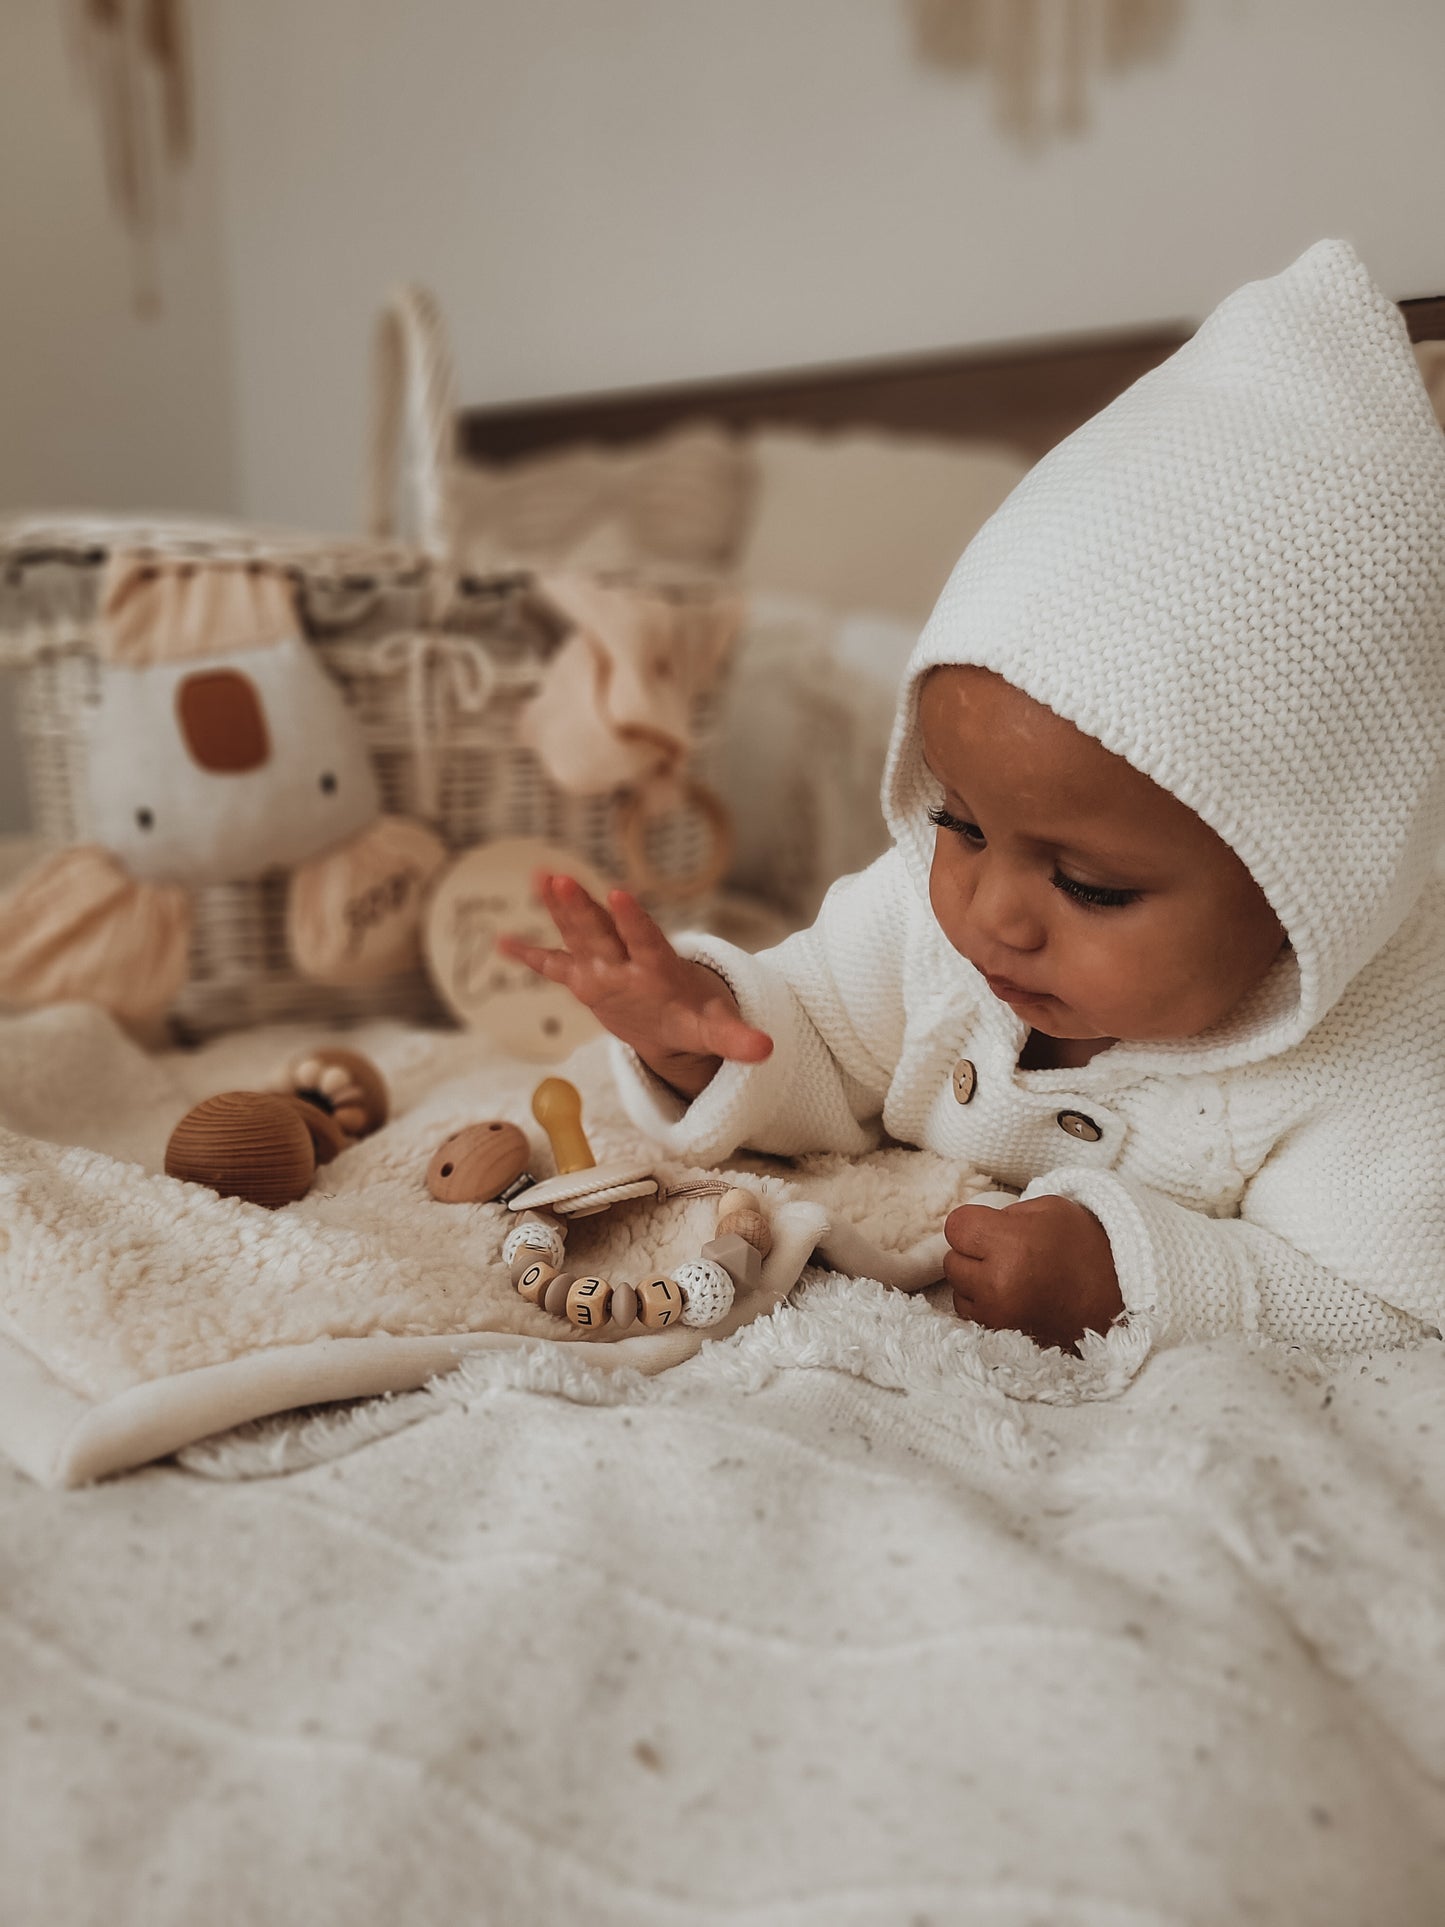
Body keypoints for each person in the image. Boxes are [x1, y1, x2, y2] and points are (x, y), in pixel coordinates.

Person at [500, 239, 1445, 1357]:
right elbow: (815, 1035)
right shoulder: (929, 925)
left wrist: (1130, 1275)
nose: (988, 910)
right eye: (956, 820)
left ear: (1309, 889)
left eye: (1088, 883)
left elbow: (1382, 1300)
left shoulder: (1379, 1066)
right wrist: (696, 1030)